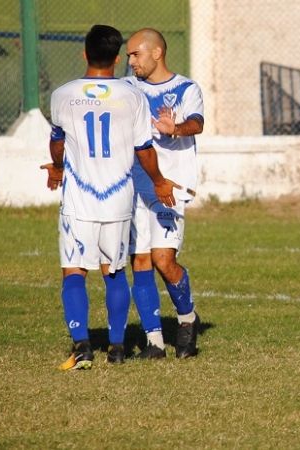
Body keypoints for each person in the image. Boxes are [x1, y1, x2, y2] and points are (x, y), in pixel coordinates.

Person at [42, 24, 175, 370]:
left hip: (79, 199)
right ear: (118, 58)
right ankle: (117, 347)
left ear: (84, 53)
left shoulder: (62, 94)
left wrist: (57, 167)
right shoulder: (133, 96)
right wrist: (159, 181)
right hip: (117, 199)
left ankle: (82, 346)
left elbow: (57, 142)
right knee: (113, 272)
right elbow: (144, 149)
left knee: (74, 271)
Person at [123, 28, 205, 359]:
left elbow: (197, 123)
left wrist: (176, 129)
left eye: (136, 54)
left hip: (170, 187)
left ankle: (187, 319)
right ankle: (154, 342)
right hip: (134, 186)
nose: (131, 61)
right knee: (140, 259)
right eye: (128, 56)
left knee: (163, 259)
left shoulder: (185, 88)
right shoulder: (127, 88)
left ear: (156, 53)